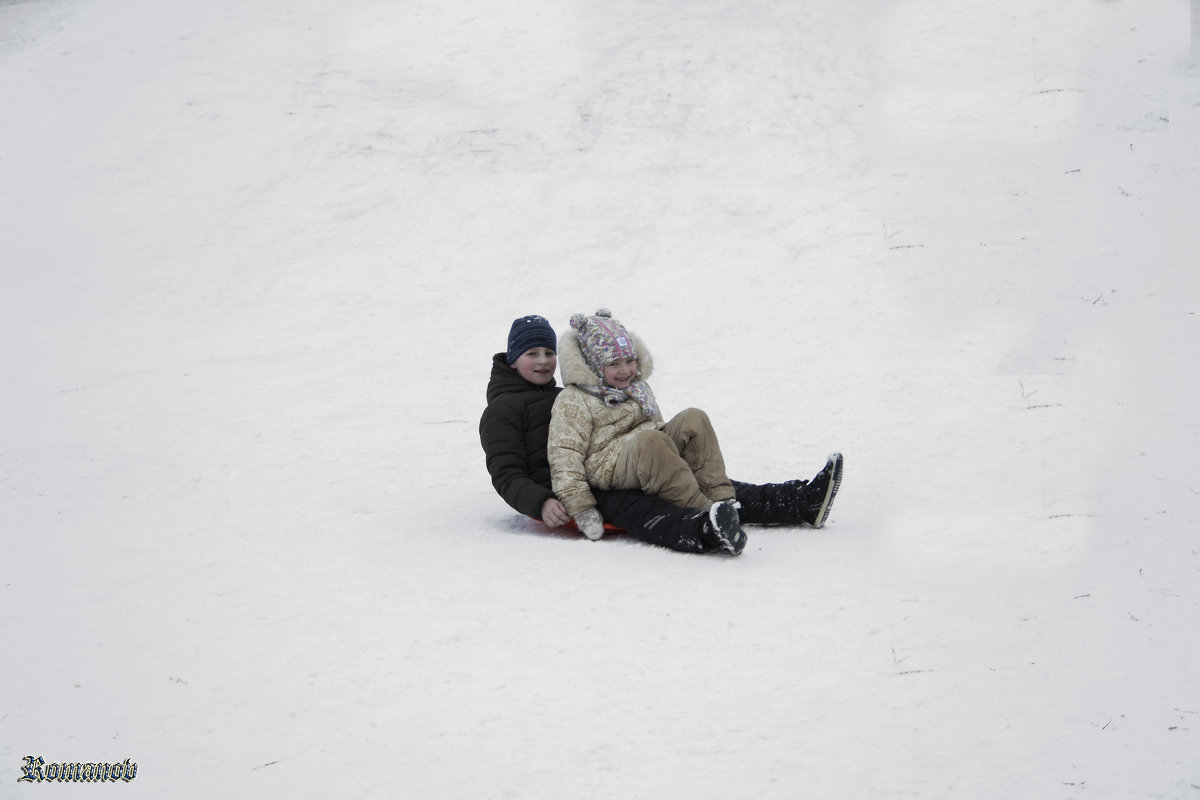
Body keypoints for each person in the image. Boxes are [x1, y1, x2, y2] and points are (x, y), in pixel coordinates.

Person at [480, 313, 842, 556]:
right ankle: (705, 528)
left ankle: (798, 501)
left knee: (698, 476)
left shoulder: (571, 392)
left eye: (548, 352)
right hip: (583, 489)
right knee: (645, 509)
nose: (543, 361)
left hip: (627, 457)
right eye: (532, 353)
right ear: (513, 359)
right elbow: (508, 473)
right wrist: (541, 502)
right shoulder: (502, 411)